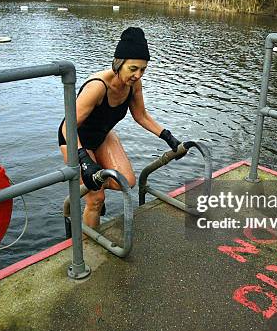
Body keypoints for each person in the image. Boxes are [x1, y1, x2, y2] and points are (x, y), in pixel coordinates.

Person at [58, 27, 184, 228]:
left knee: (127, 181)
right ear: (119, 63)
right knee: (96, 199)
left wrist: (167, 136)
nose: (137, 75)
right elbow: (67, 127)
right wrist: (83, 159)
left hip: (102, 136)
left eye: (143, 69)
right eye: (133, 68)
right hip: (75, 139)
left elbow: (141, 116)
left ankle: (92, 184)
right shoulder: (97, 86)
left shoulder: (134, 85)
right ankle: (89, 248)